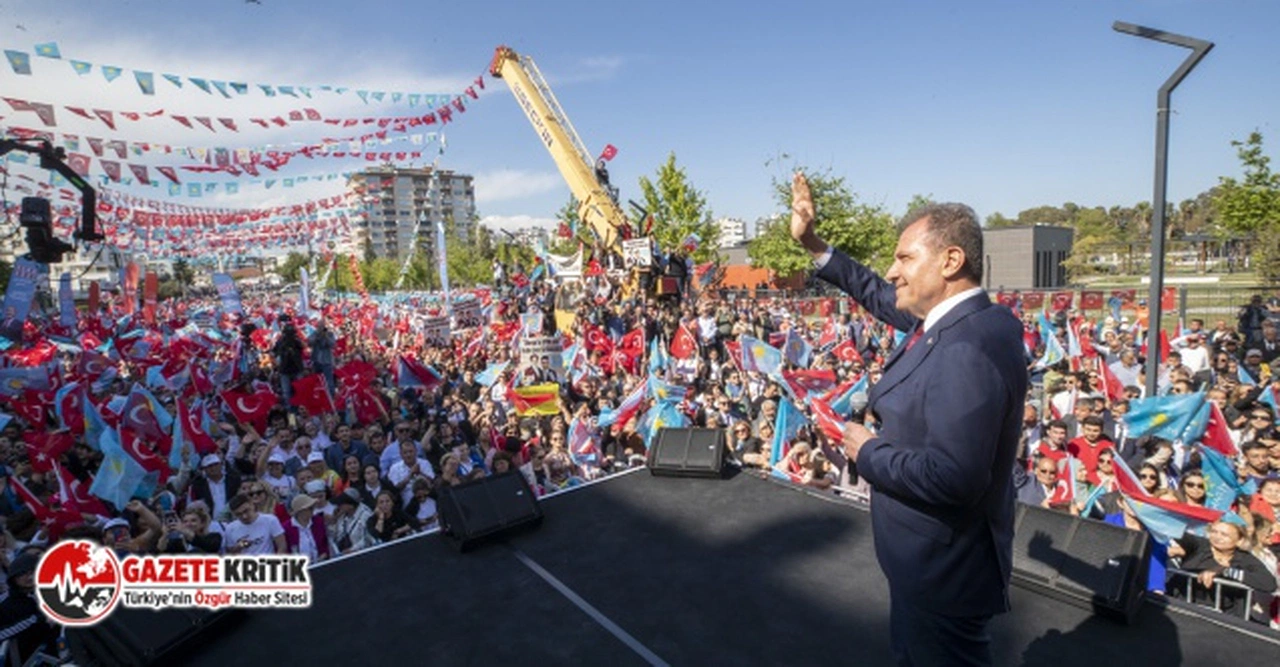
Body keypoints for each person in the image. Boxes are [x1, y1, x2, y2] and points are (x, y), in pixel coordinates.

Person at [792, 175, 1027, 666]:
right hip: (930, 563)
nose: (892, 271)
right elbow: (878, 293)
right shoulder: (963, 321)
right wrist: (812, 243)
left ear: (950, 261)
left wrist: (867, 451)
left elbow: (955, 476)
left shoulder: (966, 347)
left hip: (943, 572)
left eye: (905, 258)